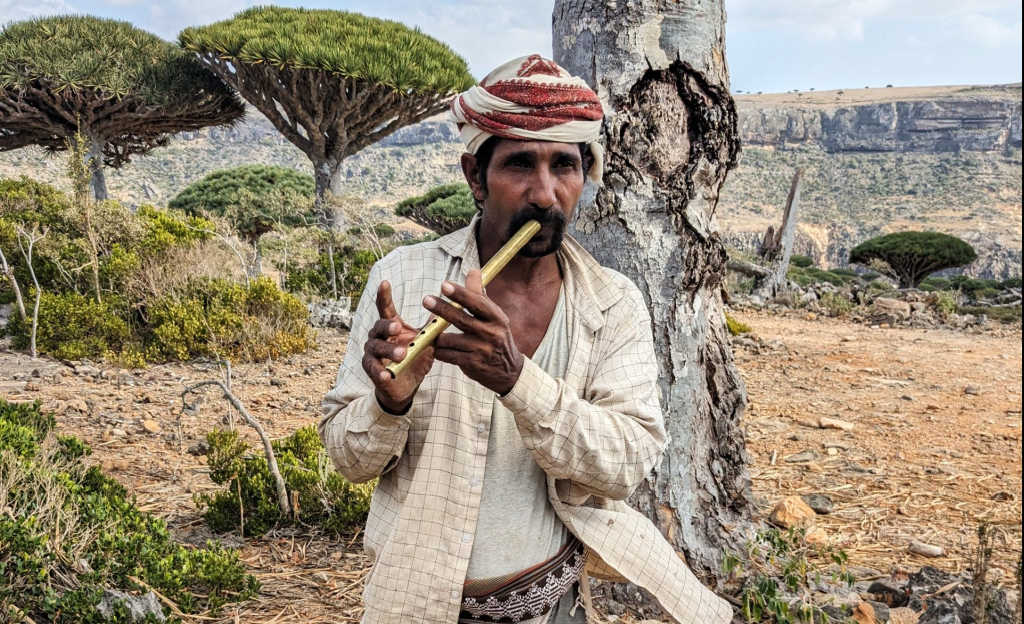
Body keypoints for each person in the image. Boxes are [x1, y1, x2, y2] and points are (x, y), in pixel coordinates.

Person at [320, 54, 732, 624]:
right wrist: (390, 401)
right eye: (519, 165)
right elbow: (348, 459)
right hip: (415, 607)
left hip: (555, 608)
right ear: (475, 177)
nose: (545, 193)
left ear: (584, 176)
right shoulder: (406, 279)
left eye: (565, 165)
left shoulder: (612, 303)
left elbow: (627, 463)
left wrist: (518, 381)